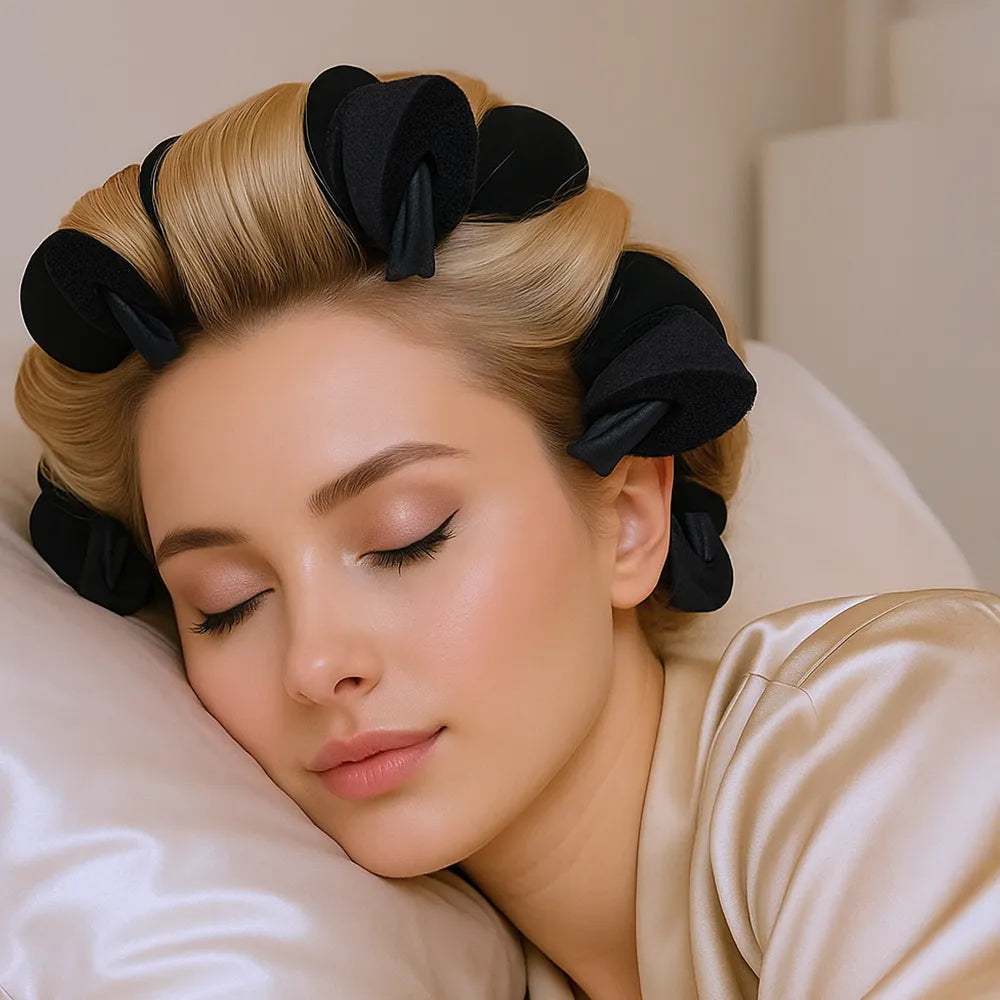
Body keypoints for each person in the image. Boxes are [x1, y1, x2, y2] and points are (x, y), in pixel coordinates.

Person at [13, 65, 1000, 1000]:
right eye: (226, 603)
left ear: (628, 518)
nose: (315, 662)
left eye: (407, 537)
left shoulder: (901, 729)